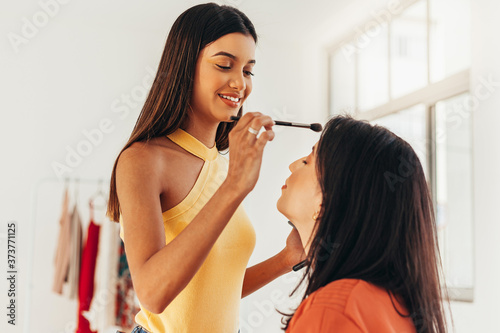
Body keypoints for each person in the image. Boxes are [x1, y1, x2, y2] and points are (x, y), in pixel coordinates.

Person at [106, 3, 304, 333]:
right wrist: (235, 185)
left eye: (248, 70)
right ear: (185, 67)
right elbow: (154, 295)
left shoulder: (223, 165)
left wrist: (286, 259)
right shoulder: (142, 160)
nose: (240, 84)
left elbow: (212, 293)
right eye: (225, 65)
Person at [276, 115, 452, 332]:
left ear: (326, 202)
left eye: (307, 161)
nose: (293, 165)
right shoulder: (394, 304)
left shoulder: (333, 310)